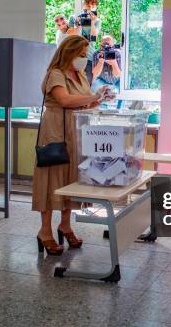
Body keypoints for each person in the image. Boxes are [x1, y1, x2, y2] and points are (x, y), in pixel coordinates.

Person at [32, 36, 113, 255]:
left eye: (86, 56)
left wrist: (100, 99)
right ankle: (45, 231)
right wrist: (92, 97)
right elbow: (65, 100)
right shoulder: (55, 74)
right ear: (69, 53)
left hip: (76, 131)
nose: (84, 60)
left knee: (70, 179)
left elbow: (85, 100)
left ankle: (65, 225)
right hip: (56, 130)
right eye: (82, 55)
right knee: (52, 179)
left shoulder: (79, 75)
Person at [72, 0, 101, 84]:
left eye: (93, 6)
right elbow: (74, 36)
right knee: (74, 83)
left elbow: (94, 36)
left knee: (87, 83)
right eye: (88, 5)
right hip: (76, 54)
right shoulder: (76, 18)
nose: (91, 8)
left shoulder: (97, 21)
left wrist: (92, 22)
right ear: (84, 5)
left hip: (89, 55)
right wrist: (79, 23)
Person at [91, 35, 122, 108]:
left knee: (118, 91)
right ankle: (102, 107)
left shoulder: (117, 53)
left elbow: (118, 75)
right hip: (102, 80)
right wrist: (101, 62)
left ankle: (118, 108)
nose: (106, 48)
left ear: (113, 46)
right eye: (104, 45)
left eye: (109, 46)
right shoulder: (96, 54)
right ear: (100, 45)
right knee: (94, 89)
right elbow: (95, 74)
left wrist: (114, 64)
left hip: (117, 80)